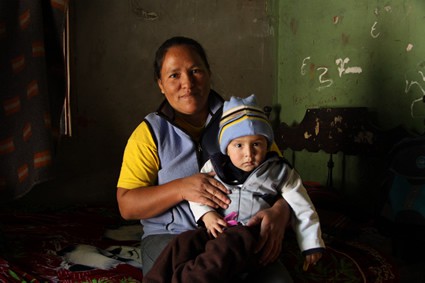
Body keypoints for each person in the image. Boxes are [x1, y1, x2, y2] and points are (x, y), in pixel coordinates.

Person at [116, 36, 293, 282]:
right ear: (160, 84)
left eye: (195, 71)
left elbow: (284, 177)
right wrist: (181, 189)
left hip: (236, 234)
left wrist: (282, 211)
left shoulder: (243, 121)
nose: (187, 83)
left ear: (209, 73)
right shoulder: (149, 134)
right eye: (174, 75)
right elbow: (127, 205)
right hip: (171, 238)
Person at [142, 95, 325, 283]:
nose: (249, 154)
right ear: (226, 148)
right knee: (184, 243)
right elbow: (197, 195)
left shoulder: (280, 171)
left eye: (256, 144)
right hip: (218, 228)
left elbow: (303, 206)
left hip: (251, 236)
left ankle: (191, 279)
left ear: (267, 145)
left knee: (227, 246)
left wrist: (311, 244)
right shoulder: (215, 167)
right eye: (239, 145)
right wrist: (207, 215)